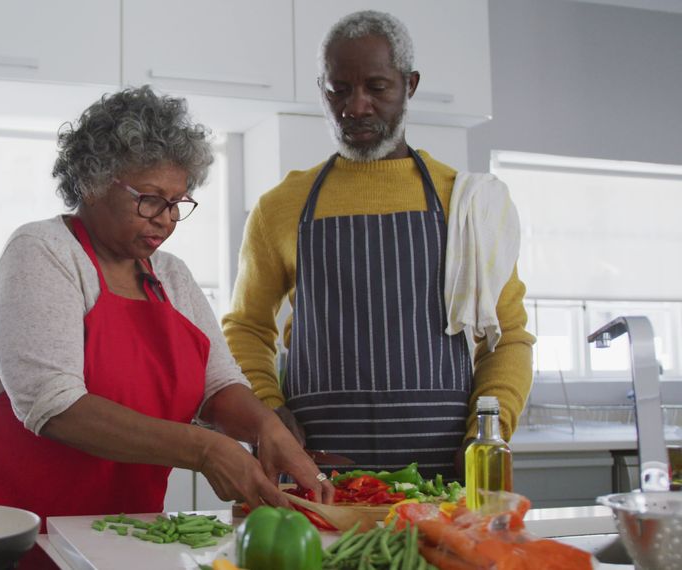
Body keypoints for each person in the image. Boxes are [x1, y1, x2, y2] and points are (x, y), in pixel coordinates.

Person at [0, 86, 333, 530]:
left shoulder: (172, 276)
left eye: (178, 203)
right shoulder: (43, 251)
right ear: (94, 182)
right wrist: (205, 449)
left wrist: (267, 428)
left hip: (113, 526)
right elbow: (53, 405)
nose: (166, 218)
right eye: (151, 198)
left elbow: (219, 384)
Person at [222, 11, 535, 481]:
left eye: (376, 86)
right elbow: (246, 327)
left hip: (444, 472)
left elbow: (506, 335)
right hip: (315, 471)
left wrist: (484, 436)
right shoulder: (281, 207)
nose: (356, 106)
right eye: (339, 90)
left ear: (409, 85)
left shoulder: (467, 203)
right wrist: (267, 412)